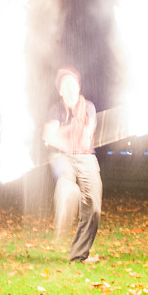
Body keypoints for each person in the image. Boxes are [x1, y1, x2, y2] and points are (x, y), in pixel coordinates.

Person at [42, 67, 102, 263]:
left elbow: (88, 133)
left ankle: (79, 254)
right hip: (62, 157)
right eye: (65, 85)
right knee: (66, 180)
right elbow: (49, 136)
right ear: (60, 91)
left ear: (79, 87)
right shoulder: (55, 110)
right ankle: (66, 198)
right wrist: (65, 140)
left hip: (85, 157)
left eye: (73, 84)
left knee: (93, 208)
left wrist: (74, 137)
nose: (69, 88)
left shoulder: (88, 107)